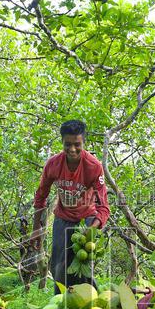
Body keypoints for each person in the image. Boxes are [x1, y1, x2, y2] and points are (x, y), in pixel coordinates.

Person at [29, 120, 110, 292]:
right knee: (59, 269)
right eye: (68, 144)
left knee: (84, 269)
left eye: (77, 145)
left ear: (84, 143)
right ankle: (60, 306)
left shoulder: (94, 166)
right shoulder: (53, 164)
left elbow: (104, 207)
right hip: (62, 219)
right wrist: (36, 228)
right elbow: (40, 196)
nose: (72, 149)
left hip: (86, 220)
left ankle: (94, 306)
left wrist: (92, 229)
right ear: (62, 142)